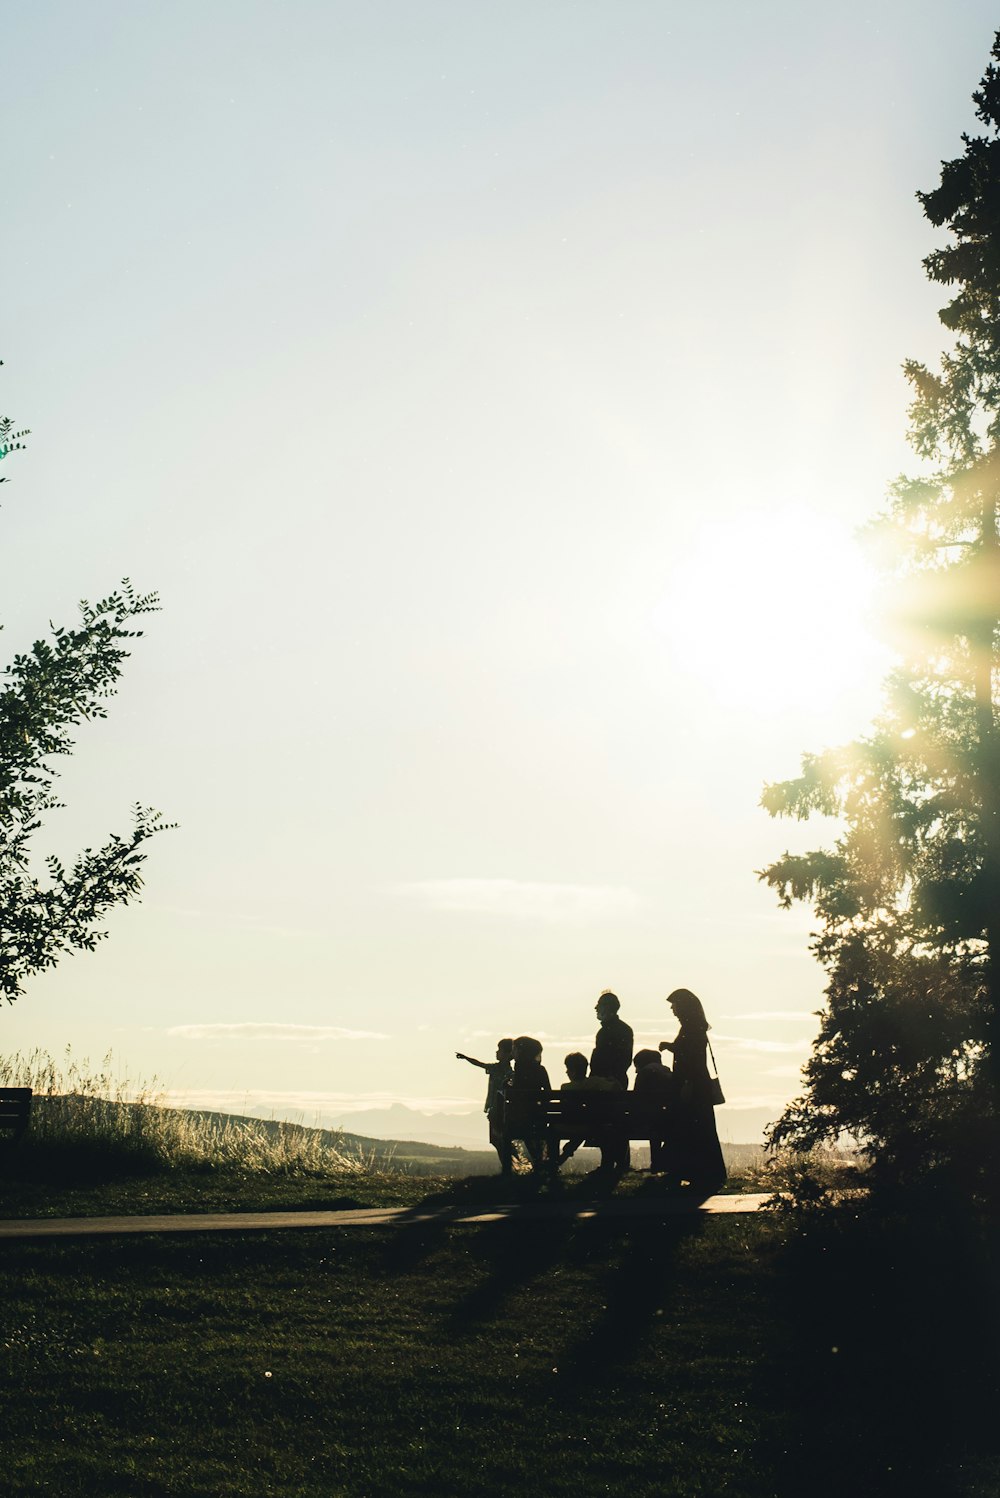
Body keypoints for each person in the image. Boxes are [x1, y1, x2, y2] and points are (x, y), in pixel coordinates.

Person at [658, 988, 726, 1191]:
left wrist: (687, 1083)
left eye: (675, 1004)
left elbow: (691, 1056)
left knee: (688, 1129)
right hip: (697, 1085)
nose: (672, 1008)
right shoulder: (695, 1026)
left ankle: (687, 1171)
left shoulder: (691, 1027)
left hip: (692, 1085)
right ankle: (703, 1172)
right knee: (698, 1130)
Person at [590, 991, 633, 1172]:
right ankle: (621, 1162)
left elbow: (601, 1058)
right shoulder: (624, 1029)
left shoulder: (605, 1031)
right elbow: (626, 1059)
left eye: (598, 1006)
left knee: (605, 1121)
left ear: (606, 1009)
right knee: (617, 1121)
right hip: (618, 1080)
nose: (596, 1009)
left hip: (604, 1082)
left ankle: (609, 1162)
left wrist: (599, 1077)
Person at [455, 1039, 515, 1171]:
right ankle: (510, 1166)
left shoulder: (497, 1069)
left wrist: (466, 1058)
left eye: (499, 1050)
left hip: (496, 1109)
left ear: (507, 1053)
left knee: (497, 1139)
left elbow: (479, 1064)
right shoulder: (511, 1072)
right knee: (501, 1139)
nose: (496, 1052)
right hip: (501, 1110)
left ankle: (508, 1167)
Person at [556, 1051, 616, 1168]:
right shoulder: (596, 1082)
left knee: (567, 1126)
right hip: (595, 1125)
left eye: (567, 1069)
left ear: (572, 1071)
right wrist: (611, 1079)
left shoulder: (566, 1087)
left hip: (572, 1125)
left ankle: (555, 1162)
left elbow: (564, 1111)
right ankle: (606, 1167)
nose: (566, 1072)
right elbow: (616, 1087)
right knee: (588, 1124)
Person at [509, 1035, 551, 1169]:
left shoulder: (519, 1070)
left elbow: (516, 1093)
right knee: (536, 1134)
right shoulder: (541, 1069)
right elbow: (548, 1093)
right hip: (540, 1116)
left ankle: (534, 1164)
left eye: (514, 1049)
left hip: (521, 1117)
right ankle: (543, 1163)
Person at [631, 1048, 675, 1173]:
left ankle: (657, 1162)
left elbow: (636, 1099)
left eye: (636, 1066)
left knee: (654, 1126)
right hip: (670, 1118)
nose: (635, 1071)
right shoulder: (668, 1073)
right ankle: (660, 1162)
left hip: (647, 1119)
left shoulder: (645, 1073)